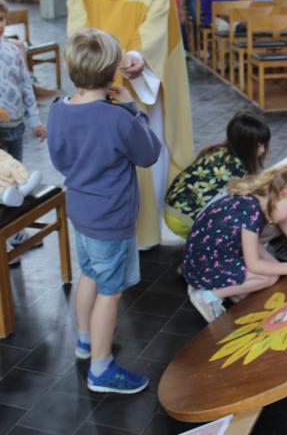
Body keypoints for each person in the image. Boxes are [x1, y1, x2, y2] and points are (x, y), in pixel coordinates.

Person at [67, 0, 194, 251]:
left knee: (143, 152)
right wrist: (89, 60)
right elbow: (78, 15)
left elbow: (156, 24)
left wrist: (138, 58)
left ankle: (146, 229)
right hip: (100, 76)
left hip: (136, 80)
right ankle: (112, 228)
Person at [47, 28, 161, 394]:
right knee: (111, 292)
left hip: (80, 211)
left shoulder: (57, 110)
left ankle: (84, 342)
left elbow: (60, 159)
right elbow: (149, 154)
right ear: (113, 73)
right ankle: (101, 367)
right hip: (111, 218)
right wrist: (131, 106)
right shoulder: (118, 118)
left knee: (90, 274)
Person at [182, 165, 287, 322]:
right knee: (268, 278)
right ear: (283, 194)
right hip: (201, 267)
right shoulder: (251, 211)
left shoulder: (253, 202)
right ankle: (207, 296)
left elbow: (254, 246)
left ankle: (229, 290)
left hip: (202, 260)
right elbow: (254, 265)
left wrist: (277, 265)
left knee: (271, 270)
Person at [164, 111, 271, 238]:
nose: (263, 150)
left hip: (169, 211)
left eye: (264, 144)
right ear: (245, 146)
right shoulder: (238, 172)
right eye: (258, 146)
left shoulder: (217, 151)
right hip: (184, 223)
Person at [0, 0, 46, 260]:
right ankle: (3, 240)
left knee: (15, 174)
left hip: (15, 125)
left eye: (1, 19)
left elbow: (27, 87)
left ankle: (15, 232)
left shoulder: (13, 51)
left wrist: (35, 121)